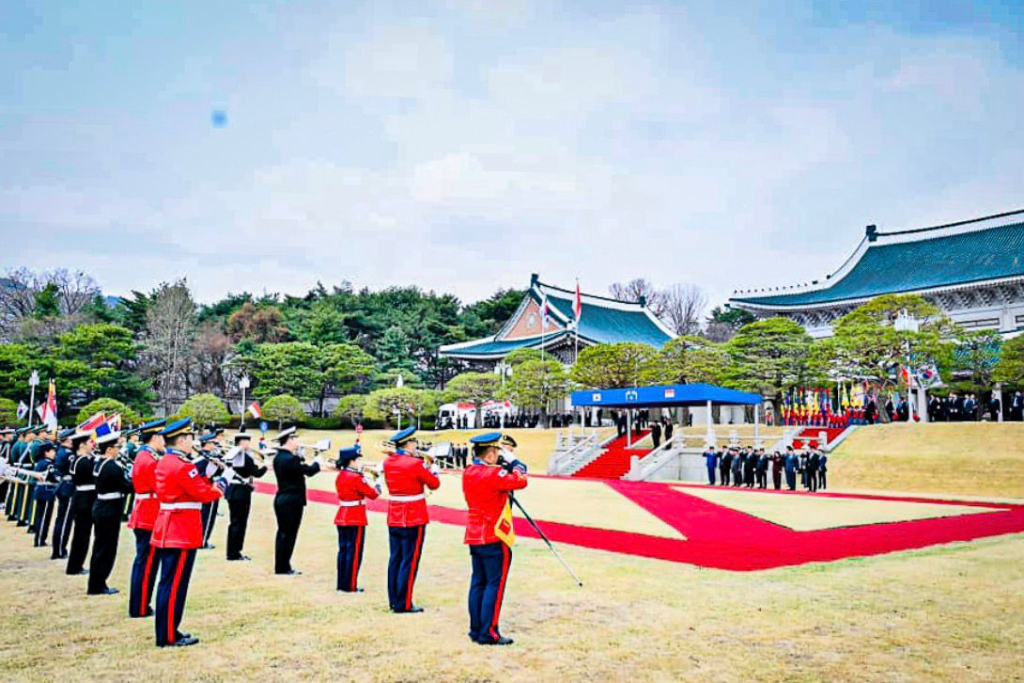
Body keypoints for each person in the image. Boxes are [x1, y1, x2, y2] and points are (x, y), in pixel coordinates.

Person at [150, 418, 230, 647]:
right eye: (190, 438)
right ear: (182, 439)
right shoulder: (182, 465)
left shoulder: (167, 461)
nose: (193, 442)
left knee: (168, 582)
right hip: (181, 528)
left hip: (169, 525)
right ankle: (168, 634)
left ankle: (168, 630)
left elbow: (188, 488)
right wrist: (223, 482)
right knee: (175, 584)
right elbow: (203, 495)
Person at [463, 432, 528, 646]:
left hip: (474, 533)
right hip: (494, 534)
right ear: (491, 454)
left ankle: (475, 628)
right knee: (494, 585)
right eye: (497, 452)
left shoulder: (469, 472)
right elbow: (521, 480)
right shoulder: (493, 474)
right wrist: (514, 461)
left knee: (478, 582)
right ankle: (489, 631)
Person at [383, 427, 441, 614]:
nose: (417, 445)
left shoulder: (388, 461)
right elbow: (434, 484)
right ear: (408, 444)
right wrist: (432, 467)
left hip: (394, 515)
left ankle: (394, 600)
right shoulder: (415, 464)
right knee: (409, 560)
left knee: (395, 559)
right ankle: (404, 603)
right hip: (413, 515)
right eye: (414, 442)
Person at [127, 419, 166, 618]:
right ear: (155, 437)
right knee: (147, 563)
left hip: (147, 511)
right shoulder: (149, 459)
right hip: (149, 513)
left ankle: (141, 604)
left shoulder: (146, 456)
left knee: (146, 562)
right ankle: (140, 606)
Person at [88, 424, 134, 595]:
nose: (119, 450)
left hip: (102, 506)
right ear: (109, 449)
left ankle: (96, 582)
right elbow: (126, 486)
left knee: (100, 547)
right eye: (117, 447)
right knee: (106, 548)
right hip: (109, 509)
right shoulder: (111, 467)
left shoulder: (99, 463)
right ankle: (98, 584)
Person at [272, 427, 321, 575]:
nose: (298, 442)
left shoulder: (279, 457)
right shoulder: (290, 459)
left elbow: (296, 470)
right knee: (289, 534)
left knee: (283, 533)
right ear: (290, 440)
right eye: (295, 439)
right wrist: (317, 461)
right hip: (291, 500)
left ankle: (281, 565)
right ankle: (283, 567)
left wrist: (300, 458)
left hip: (282, 498)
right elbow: (309, 472)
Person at [334, 445, 380, 592]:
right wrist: (378, 484)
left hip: (342, 514)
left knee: (343, 551)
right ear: (351, 461)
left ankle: (342, 583)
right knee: (354, 553)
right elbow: (373, 494)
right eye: (358, 459)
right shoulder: (356, 477)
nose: (360, 462)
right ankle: (350, 585)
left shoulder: (341, 475)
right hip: (355, 516)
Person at [225, 432, 267, 562]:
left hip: (232, 490)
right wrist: (266, 465)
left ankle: (232, 551)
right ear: (241, 442)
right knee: (239, 523)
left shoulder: (232, 455)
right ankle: (235, 552)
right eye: (246, 441)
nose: (248, 444)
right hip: (241, 492)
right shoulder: (244, 457)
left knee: (234, 522)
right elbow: (257, 473)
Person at [66, 430, 97, 576]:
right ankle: (75, 565)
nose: (92, 445)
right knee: (82, 535)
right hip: (85, 499)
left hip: (81, 497)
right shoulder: (84, 461)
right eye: (89, 443)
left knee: (81, 534)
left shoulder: (77, 459)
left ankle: (75, 564)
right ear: (82, 445)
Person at [50, 429, 76, 560]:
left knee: (63, 519)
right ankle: (59, 550)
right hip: (67, 487)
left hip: (63, 486)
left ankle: (60, 548)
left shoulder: (62, 451)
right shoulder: (67, 453)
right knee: (65, 521)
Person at [31, 441, 59, 548]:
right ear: (46, 452)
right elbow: (54, 477)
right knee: (43, 517)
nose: (54, 453)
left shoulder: (42, 462)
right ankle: (40, 539)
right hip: (46, 491)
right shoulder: (47, 464)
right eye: (52, 451)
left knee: (42, 516)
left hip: (43, 491)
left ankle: (40, 539)